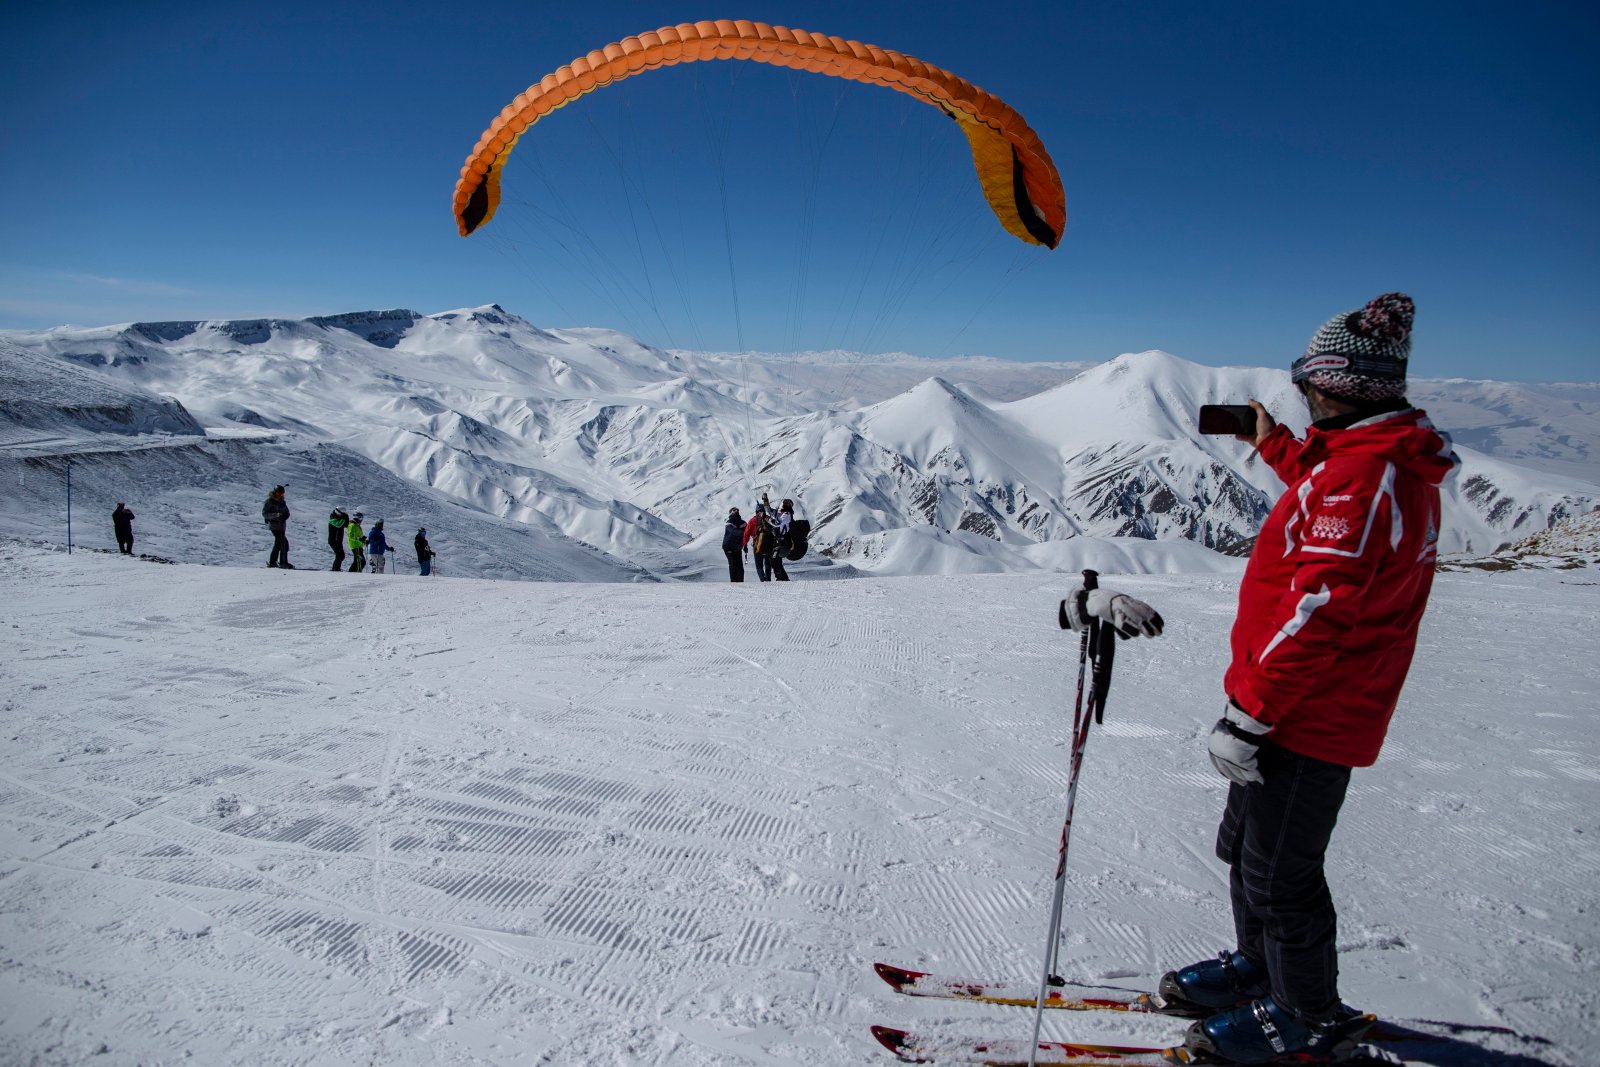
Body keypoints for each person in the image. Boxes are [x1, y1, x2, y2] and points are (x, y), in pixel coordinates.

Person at [1073, 293, 1458, 1065]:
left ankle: (1308, 1015)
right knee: (1247, 848)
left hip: (1309, 711)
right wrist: (1273, 443)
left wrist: (1252, 710)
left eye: (1306, 381)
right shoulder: (1358, 462)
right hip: (1293, 700)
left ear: (1339, 386)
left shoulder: (1364, 478)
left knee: (1283, 873)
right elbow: (1325, 485)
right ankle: (1261, 969)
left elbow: (1319, 607)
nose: (1300, 392)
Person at [262, 485, 293, 569]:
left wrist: (285, 516)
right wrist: (276, 515)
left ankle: (272, 562)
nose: (280, 495)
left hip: (282, 526)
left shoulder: (282, 502)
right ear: (275, 492)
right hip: (274, 526)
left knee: (278, 544)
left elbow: (287, 512)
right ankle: (283, 562)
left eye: (282, 494)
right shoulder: (269, 502)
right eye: (279, 493)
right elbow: (265, 514)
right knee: (284, 544)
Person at [721, 507, 746, 582]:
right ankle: (734, 582)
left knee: (740, 566)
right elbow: (734, 532)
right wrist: (745, 533)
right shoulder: (729, 523)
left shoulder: (742, 523)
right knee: (733, 564)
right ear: (731, 513)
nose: (736, 512)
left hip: (737, 547)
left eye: (737, 510)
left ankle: (741, 582)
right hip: (728, 547)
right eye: (734, 511)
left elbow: (749, 530)